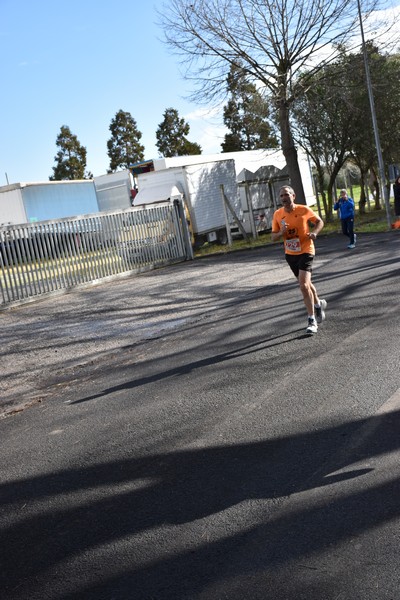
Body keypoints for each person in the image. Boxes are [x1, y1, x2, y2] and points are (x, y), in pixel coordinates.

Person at [271, 185, 327, 336]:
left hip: (306, 250)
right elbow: (273, 236)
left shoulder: (303, 209)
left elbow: (319, 221)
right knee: (306, 284)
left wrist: (314, 232)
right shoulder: (278, 214)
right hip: (290, 254)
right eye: (282, 195)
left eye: (287, 195)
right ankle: (318, 304)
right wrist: (281, 233)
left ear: (293, 196)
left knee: (303, 285)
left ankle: (311, 320)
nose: (284, 198)